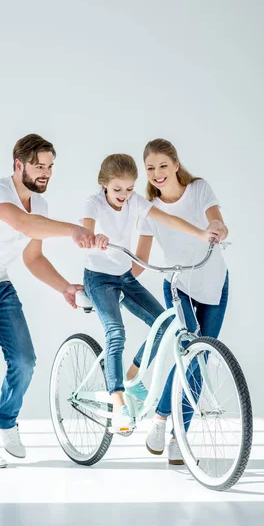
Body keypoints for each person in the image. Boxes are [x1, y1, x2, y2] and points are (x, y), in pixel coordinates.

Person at [0, 134, 95, 468]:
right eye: (39, 166)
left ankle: (5, 421)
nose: (46, 174)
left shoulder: (40, 205)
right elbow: (22, 223)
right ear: (18, 164)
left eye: (50, 167)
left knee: (25, 361)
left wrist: (65, 287)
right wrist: (73, 230)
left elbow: (33, 257)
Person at [81, 153, 219, 432]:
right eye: (118, 189)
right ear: (105, 184)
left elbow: (168, 220)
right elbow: (85, 232)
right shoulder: (94, 203)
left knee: (167, 324)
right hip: (98, 278)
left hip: (124, 277)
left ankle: (132, 377)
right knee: (116, 332)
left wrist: (202, 234)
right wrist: (95, 238)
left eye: (130, 188)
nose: (124, 195)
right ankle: (118, 402)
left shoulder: (134, 202)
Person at [133, 138, 228, 464]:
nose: (157, 173)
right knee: (190, 353)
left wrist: (217, 226)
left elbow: (216, 219)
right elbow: (140, 259)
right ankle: (162, 421)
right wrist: (114, 277)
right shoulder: (149, 210)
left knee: (203, 356)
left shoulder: (199, 189)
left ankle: (177, 435)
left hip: (214, 282)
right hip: (177, 285)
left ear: (175, 164)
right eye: (150, 168)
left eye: (162, 165)